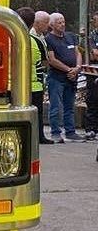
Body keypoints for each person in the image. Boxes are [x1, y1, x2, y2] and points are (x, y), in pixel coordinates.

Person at [45, 11, 83, 143]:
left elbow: (77, 53)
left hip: (71, 77)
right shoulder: (48, 39)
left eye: (63, 22)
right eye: (59, 22)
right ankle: (55, 132)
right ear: (51, 25)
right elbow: (52, 59)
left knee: (69, 106)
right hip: (57, 78)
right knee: (55, 106)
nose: (62, 24)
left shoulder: (71, 36)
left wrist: (77, 68)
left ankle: (70, 131)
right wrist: (68, 70)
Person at [17, 7, 52, 145]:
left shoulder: (9, 37)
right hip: (35, 85)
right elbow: (45, 62)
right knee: (36, 114)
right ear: (33, 23)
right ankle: (38, 137)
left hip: (14, 85)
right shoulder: (35, 41)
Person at [84, 12, 98, 140]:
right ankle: (90, 129)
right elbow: (94, 54)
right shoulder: (92, 36)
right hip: (93, 72)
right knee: (92, 99)